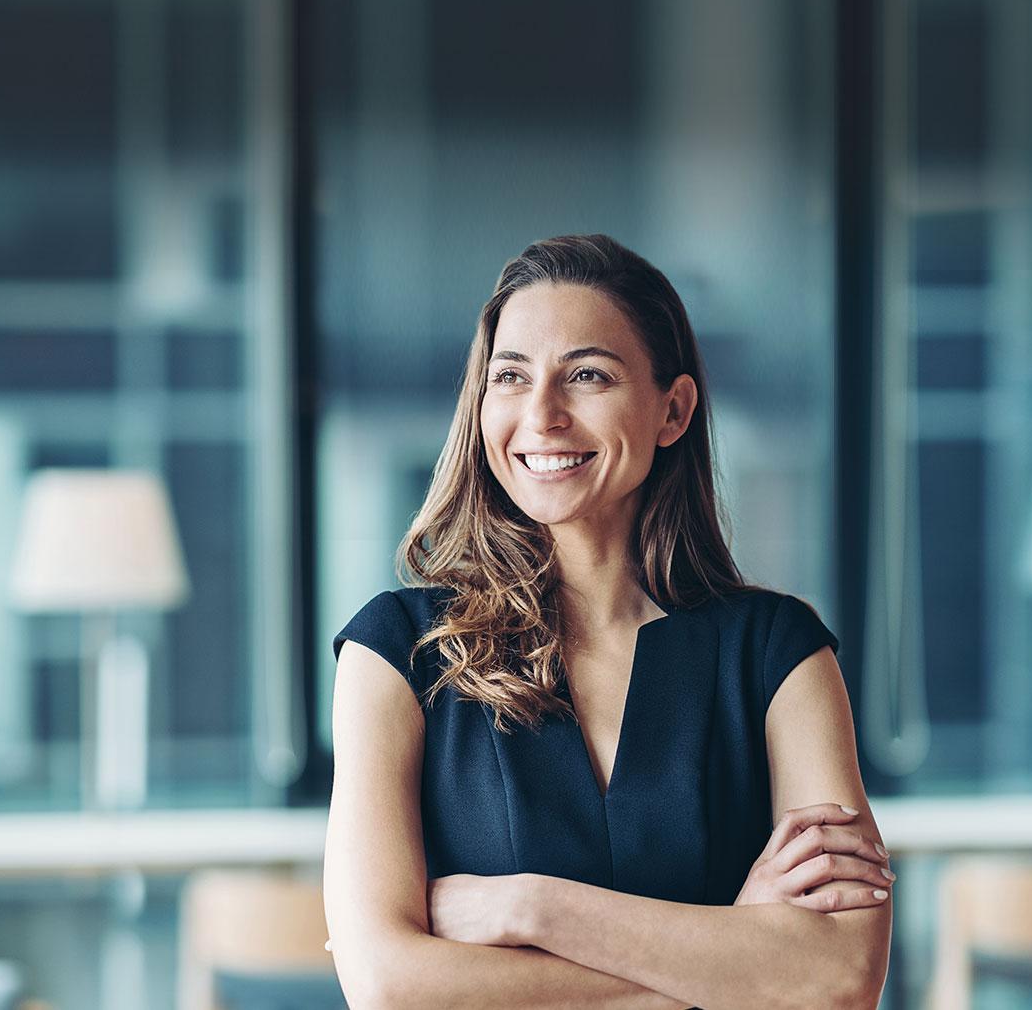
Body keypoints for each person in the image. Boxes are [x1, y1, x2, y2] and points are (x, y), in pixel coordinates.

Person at [324, 234, 893, 1009]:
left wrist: (530, 907)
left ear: (673, 409)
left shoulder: (778, 655)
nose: (542, 415)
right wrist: (735, 957)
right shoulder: (395, 653)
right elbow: (389, 986)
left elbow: (838, 977)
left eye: (587, 375)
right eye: (511, 377)